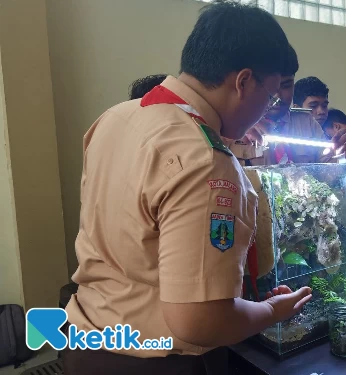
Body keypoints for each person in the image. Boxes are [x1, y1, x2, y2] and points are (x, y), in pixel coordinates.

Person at [62, 3, 314, 374]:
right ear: (243, 82)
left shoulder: (116, 117)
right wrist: (271, 311)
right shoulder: (205, 162)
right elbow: (199, 321)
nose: (268, 109)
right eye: (272, 95)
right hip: (154, 362)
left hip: (85, 342)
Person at [230, 46, 346, 165]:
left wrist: (344, 155)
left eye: (286, 86)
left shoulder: (307, 123)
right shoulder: (235, 125)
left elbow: (330, 176)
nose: (277, 96)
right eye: (270, 87)